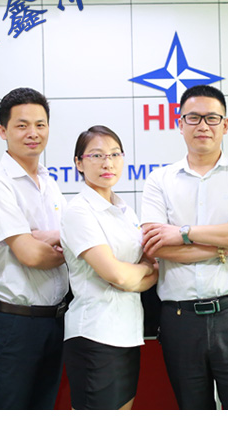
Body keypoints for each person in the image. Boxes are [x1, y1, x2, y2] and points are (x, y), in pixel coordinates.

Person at [140, 84, 228, 410]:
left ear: (225, 125)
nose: (203, 126)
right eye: (193, 117)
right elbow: (155, 246)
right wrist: (225, 243)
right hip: (180, 318)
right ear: (179, 123)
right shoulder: (159, 180)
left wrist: (183, 233)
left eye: (212, 118)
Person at [0, 87, 69, 410]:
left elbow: (60, 241)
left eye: (40, 125)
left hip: (56, 320)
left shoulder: (49, 182)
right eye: (22, 125)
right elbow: (30, 255)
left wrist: (47, 236)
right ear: (3, 131)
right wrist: (63, 244)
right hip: (17, 324)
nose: (33, 133)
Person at [61, 126, 158, 410]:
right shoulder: (79, 211)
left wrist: (137, 273)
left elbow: (150, 272)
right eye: (97, 155)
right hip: (94, 334)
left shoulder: (125, 210)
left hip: (127, 332)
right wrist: (142, 269)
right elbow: (116, 275)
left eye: (115, 154)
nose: (108, 163)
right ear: (79, 163)